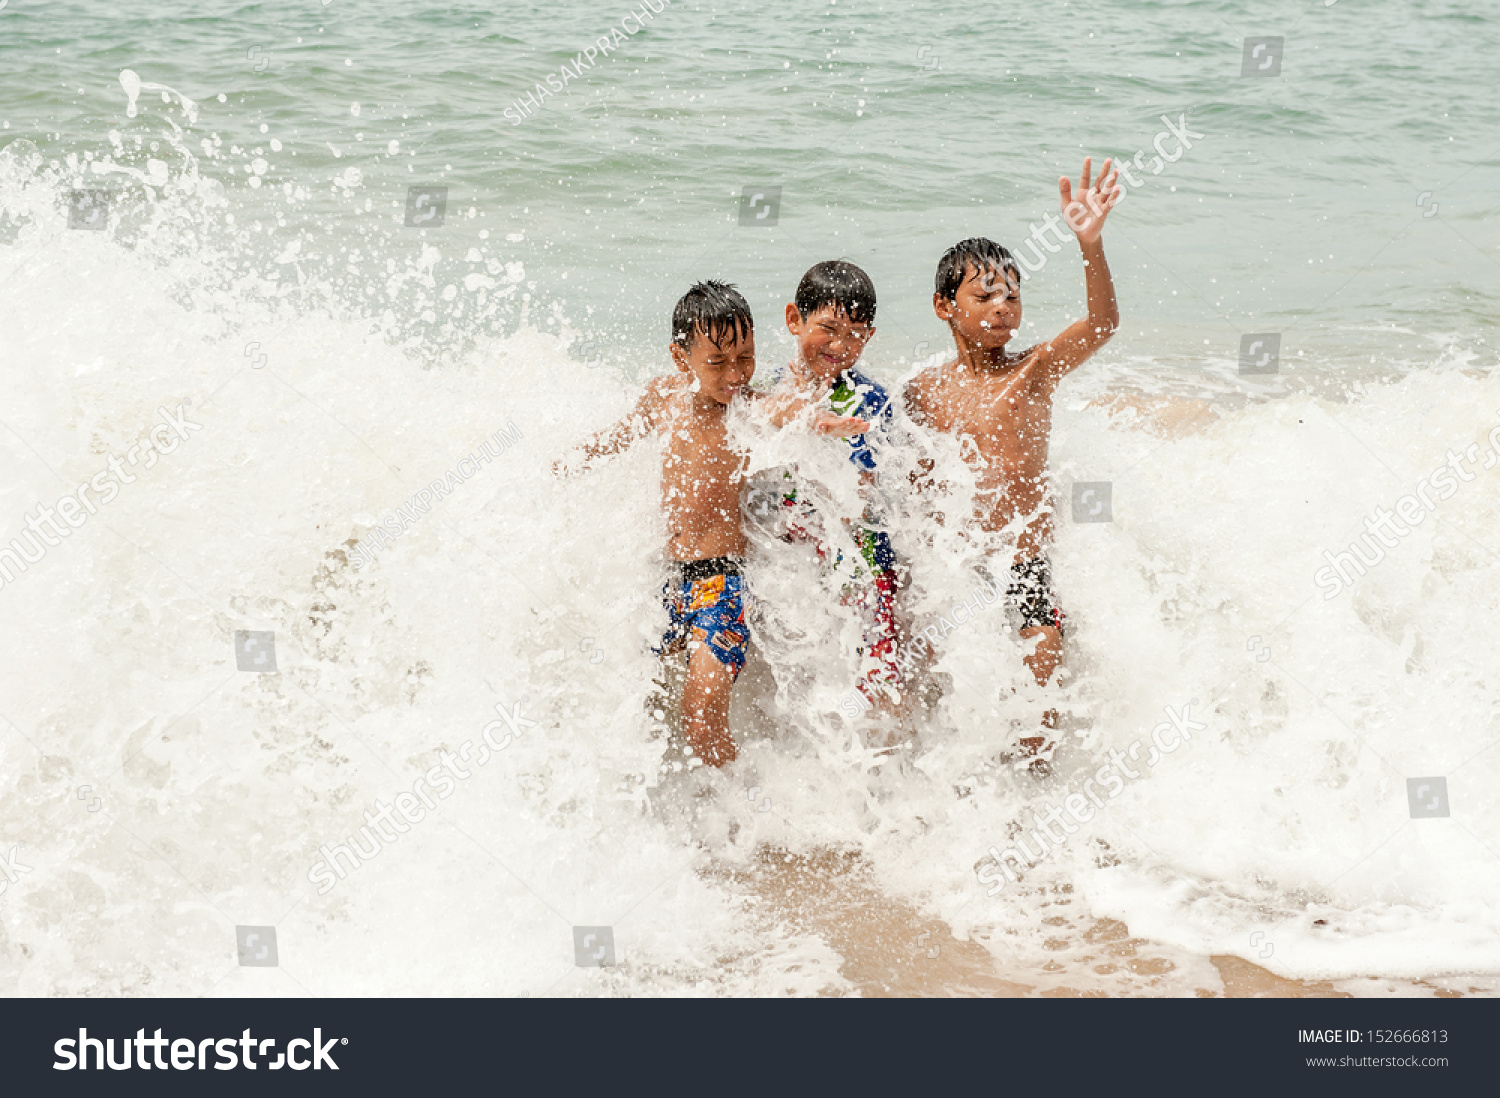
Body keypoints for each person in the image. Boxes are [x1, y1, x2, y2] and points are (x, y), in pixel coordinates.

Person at [555, 281, 864, 768]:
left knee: (700, 717)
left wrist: (820, 420)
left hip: (723, 584)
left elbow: (783, 409)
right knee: (645, 709)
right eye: (718, 362)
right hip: (665, 582)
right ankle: (687, 818)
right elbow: (620, 435)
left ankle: (746, 815)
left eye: (746, 357)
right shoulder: (664, 398)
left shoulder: (746, 408)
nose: (736, 374)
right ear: (681, 358)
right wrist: (568, 464)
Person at [904, 158, 1122, 763]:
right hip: (958, 566)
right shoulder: (922, 393)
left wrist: (1090, 244)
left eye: (1014, 296)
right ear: (944, 306)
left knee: (1041, 653)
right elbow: (912, 482)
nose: (1003, 307)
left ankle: (1031, 792)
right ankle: (943, 784)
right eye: (985, 295)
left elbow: (1103, 324)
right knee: (933, 681)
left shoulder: (1034, 371)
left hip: (1024, 557)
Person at [760, 261, 905, 718]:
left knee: (877, 677)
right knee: (795, 675)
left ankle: (883, 768)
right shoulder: (765, 389)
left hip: (861, 555)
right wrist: (804, 416)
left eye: (857, 334)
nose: (842, 346)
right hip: (788, 557)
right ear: (793, 319)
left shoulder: (870, 402)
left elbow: (874, 490)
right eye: (828, 328)